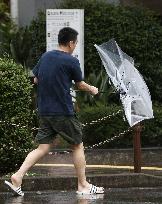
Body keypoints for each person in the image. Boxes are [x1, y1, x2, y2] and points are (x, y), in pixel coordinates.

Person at [5, 27, 104, 196]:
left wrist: (57, 83)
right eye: (76, 43)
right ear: (71, 43)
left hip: (44, 111)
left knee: (42, 148)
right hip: (62, 112)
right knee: (78, 145)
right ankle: (83, 185)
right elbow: (80, 84)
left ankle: (18, 176)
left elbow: (36, 79)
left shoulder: (46, 56)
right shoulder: (71, 61)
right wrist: (93, 89)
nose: (75, 45)